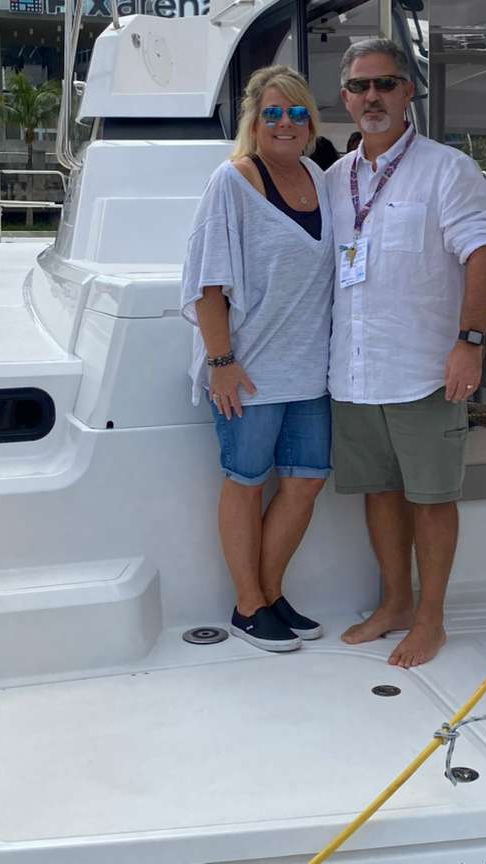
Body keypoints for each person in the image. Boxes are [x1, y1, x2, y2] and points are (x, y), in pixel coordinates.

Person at [326, 38, 486, 669]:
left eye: (386, 84)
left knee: (431, 497)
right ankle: (395, 603)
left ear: (408, 94)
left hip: (426, 367)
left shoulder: (448, 170)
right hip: (353, 369)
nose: (373, 96)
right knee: (378, 492)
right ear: (345, 98)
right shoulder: (332, 180)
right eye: (360, 86)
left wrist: (470, 343)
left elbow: (483, 255)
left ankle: (431, 619)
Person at [181, 65, 334, 652]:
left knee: (305, 482)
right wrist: (220, 361)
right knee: (245, 482)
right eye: (273, 112)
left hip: (308, 371)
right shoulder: (234, 180)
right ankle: (248, 605)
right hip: (247, 370)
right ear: (253, 120)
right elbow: (207, 282)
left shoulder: (320, 179)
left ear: (311, 123)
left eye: (297, 113)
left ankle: (270, 594)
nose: (286, 123)